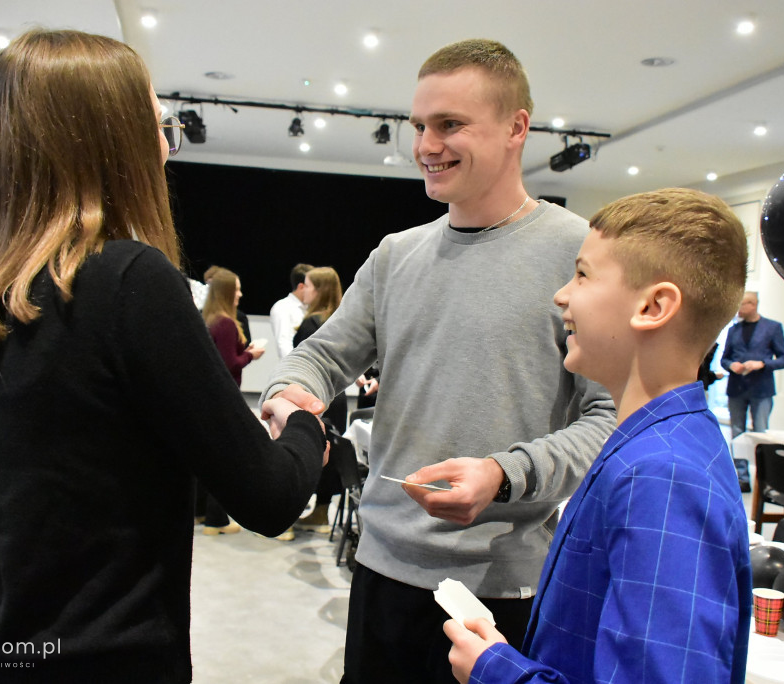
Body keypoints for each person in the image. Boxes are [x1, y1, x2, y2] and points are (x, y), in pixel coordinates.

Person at [0, 29, 325, 683]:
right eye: (157, 123)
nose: (165, 144)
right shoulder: (128, 281)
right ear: (109, 135)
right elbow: (270, 498)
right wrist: (304, 424)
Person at [261, 39, 615, 683]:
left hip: (502, 592)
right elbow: (320, 357)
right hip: (382, 571)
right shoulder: (396, 255)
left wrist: (504, 475)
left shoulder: (577, 251)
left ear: (517, 127)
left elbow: (607, 419)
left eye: (450, 124)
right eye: (419, 125)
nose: (426, 144)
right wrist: (289, 395)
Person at [445, 188, 752, 684]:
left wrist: (497, 672)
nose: (561, 294)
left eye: (583, 275)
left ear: (653, 306)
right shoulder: (653, 445)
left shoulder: (664, 475)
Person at [200, 267, 266, 535]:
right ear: (227, 292)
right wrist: (252, 356)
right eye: (237, 288)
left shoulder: (212, 319)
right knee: (224, 460)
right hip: (224, 398)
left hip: (212, 396)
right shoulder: (226, 323)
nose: (240, 293)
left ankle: (203, 514)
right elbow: (229, 364)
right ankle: (216, 520)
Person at [292, 267, 347, 535]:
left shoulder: (311, 323)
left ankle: (290, 517)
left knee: (306, 452)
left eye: (309, 285)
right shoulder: (340, 322)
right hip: (338, 399)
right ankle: (322, 512)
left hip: (313, 398)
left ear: (320, 290)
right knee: (331, 453)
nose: (304, 289)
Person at [720, 291, 784, 437]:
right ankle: (738, 461)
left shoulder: (772, 328)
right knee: (737, 432)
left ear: (752, 305)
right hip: (736, 388)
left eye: (739, 305)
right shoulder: (734, 330)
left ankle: (760, 460)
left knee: (760, 431)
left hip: (761, 388)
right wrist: (731, 365)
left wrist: (762, 364)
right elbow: (724, 359)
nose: (737, 309)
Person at [270, 263, 314, 358]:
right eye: (313, 286)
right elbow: (284, 343)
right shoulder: (282, 307)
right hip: (296, 367)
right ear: (301, 287)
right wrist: (295, 369)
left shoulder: (311, 307)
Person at [203, 264, 251, 343]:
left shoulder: (239, 317)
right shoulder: (203, 314)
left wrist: (248, 353)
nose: (212, 290)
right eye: (209, 285)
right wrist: (250, 354)